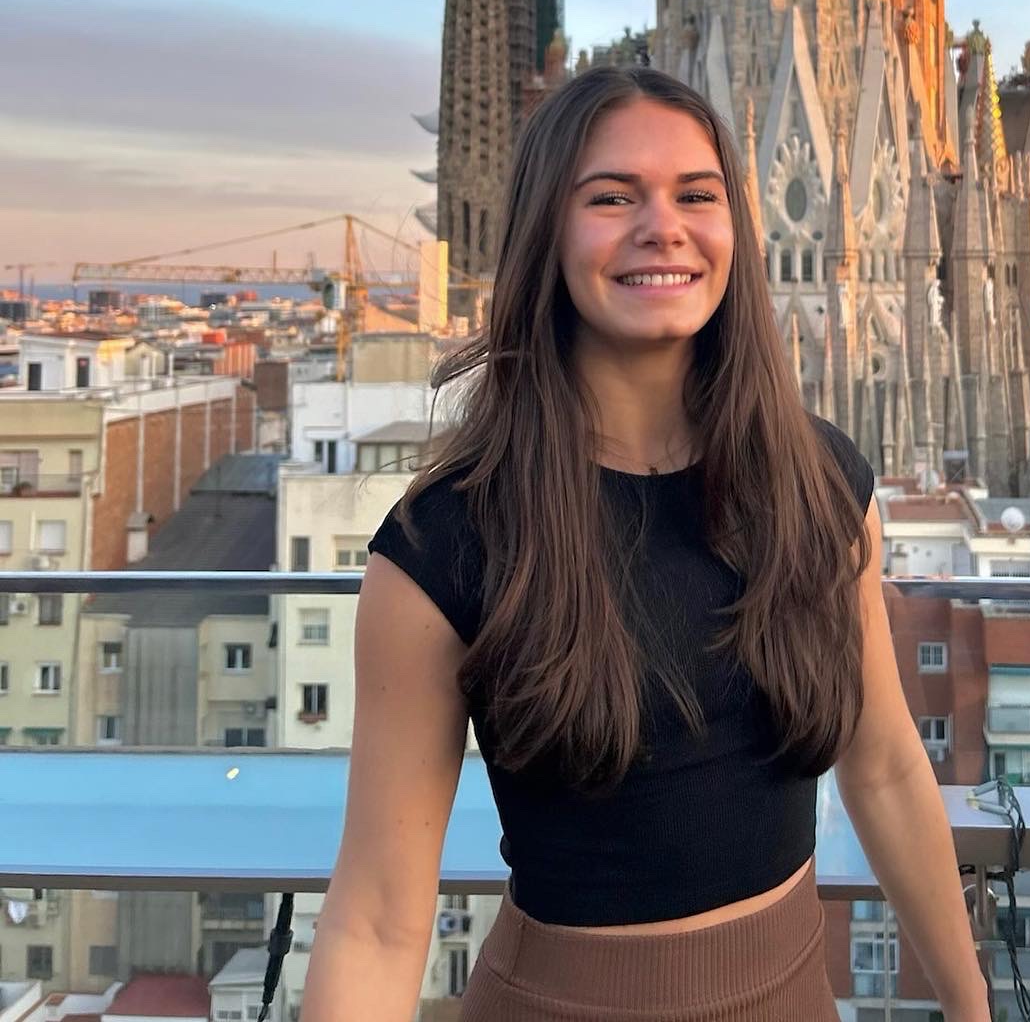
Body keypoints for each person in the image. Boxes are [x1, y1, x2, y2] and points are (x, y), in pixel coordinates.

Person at [301, 65, 988, 1021]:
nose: (661, 226)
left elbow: (885, 766)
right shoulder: (446, 544)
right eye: (611, 197)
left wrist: (971, 1004)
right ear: (547, 231)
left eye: (695, 196)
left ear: (733, 231)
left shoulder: (822, 486)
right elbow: (377, 920)